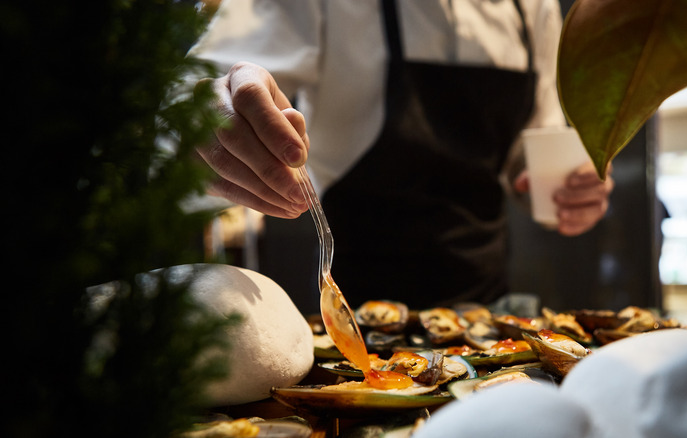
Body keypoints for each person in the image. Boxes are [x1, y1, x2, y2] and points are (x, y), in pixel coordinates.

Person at [188, 0, 614, 309]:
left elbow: (531, 150)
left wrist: (567, 188)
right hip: (354, 312)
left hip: (486, 317)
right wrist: (206, 111)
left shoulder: (532, 8)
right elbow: (188, 94)